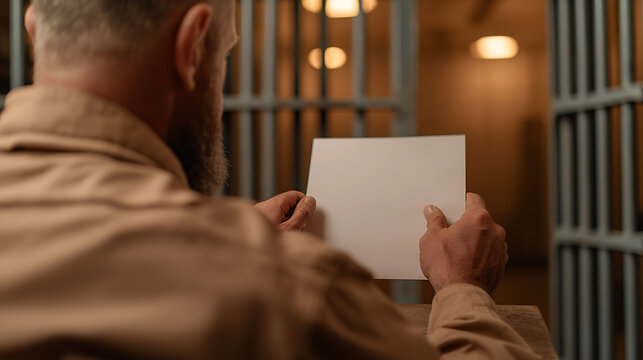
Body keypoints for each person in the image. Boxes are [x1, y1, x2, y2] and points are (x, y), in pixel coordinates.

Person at [0, 1, 540, 359]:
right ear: (192, 47)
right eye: (226, 52)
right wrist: (464, 290)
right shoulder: (284, 285)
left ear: (32, 27)